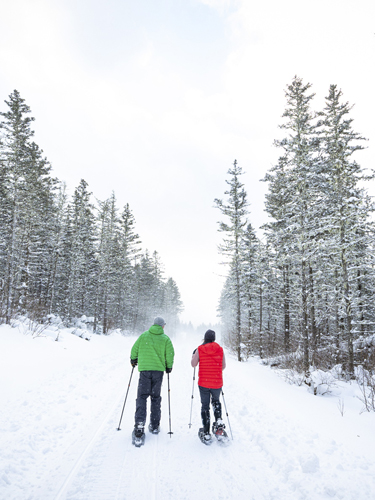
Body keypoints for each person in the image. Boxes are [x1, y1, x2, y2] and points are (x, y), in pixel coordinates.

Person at [130, 316, 174, 445]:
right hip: (158, 372)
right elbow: (170, 353)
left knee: (142, 397)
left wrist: (133, 359)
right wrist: (169, 366)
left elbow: (134, 349)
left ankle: (139, 426)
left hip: (144, 371)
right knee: (155, 397)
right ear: (162, 326)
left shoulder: (144, 336)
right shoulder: (165, 339)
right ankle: (154, 425)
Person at [191, 329, 227, 444]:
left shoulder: (200, 349)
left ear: (205, 338)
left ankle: (206, 433)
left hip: (204, 383)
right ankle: (219, 426)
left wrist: (194, 355)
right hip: (216, 383)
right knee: (216, 402)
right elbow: (223, 366)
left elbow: (193, 364)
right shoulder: (220, 349)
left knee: (205, 406)